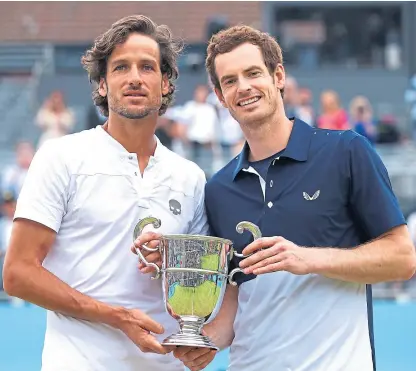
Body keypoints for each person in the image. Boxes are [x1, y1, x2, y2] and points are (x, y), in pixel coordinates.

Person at [135, 25, 416, 371]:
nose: (244, 87)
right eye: (230, 81)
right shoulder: (220, 189)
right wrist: (205, 342)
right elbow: (237, 298)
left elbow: (402, 259)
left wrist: (307, 259)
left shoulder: (346, 152)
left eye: (253, 73)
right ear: (221, 97)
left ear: (278, 76)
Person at [3, 15, 209, 371]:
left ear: (165, 83)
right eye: (120, 68)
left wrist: (172, 260)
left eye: (147, 67)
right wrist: (116, 317)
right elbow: (18, 273)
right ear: (102, 84)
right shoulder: (60, 156)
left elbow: (199, 284)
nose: (134, 78)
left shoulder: (190, 177)